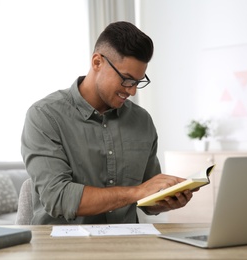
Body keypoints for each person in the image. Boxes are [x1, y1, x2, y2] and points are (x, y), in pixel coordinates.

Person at [21, 21, 194, 225]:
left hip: (128, 246)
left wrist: (165, 200)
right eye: (126, 79)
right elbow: (57, 198)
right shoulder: (45, 116)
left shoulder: (142, 121)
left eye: (138, 82)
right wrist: (136, 192)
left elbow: (147, 199)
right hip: (65, 248)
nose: (132, 91)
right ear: (97, 62)